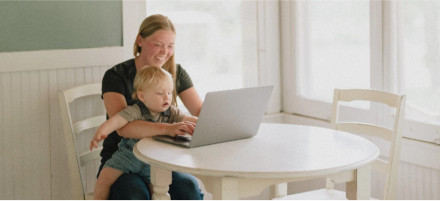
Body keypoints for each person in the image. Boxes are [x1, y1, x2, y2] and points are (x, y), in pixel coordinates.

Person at [99, 14, 204, 200]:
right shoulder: (116, 76)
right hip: (122, 159)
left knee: (189, 189)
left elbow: (201, 113)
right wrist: (169, 129)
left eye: (170, 46)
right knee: (136, 195)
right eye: (158, 44)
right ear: (140, 40)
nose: (165, 51)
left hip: (162, 158)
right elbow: (123, 128)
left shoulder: (176, 73)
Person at [90, 66, 198, 201]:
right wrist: (101, 131)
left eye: (169, 93)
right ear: (142, 96)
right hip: (128, 156)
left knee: (159, 193)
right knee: (104, 178)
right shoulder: (135, 110)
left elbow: (189, 120)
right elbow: (116, 121)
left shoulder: (172, 112)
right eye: (160, 93)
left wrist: (201, 122)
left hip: (153, 161)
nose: (167, 97)